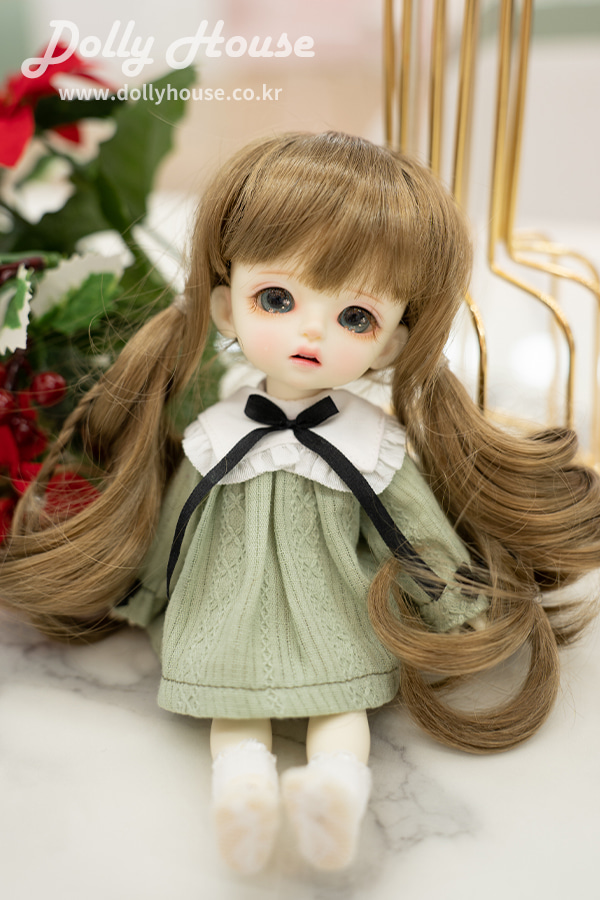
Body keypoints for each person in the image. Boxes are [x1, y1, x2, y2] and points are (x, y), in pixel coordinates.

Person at [2, 131, 599, 874]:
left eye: (356, 317)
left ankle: (336, 792)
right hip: (225, 603)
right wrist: (148, 588)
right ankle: (243, 794)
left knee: (339, 708)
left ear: (390, 345)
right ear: (226, 307)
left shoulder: (371, 443)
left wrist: (453, 601)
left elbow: (411, 528)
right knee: (235, 709)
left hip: (336, 604)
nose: (311, 330)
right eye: (277, 299)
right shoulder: (217, 431)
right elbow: (182, 521)